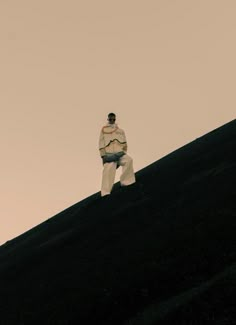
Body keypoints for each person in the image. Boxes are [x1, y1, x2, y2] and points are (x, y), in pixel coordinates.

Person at [99, 113, 136, 196]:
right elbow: (101, 143)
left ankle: (127, 181)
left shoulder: (120, 131)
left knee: (129, 160)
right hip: (109, 155)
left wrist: (124, 152)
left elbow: (125, 143)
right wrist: (103, 156)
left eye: (113, 119)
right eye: (110, 119)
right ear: (108, 119)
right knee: (108, 171)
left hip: (119, 153)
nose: (112, 121)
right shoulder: (104, 130)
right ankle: (105, 192)